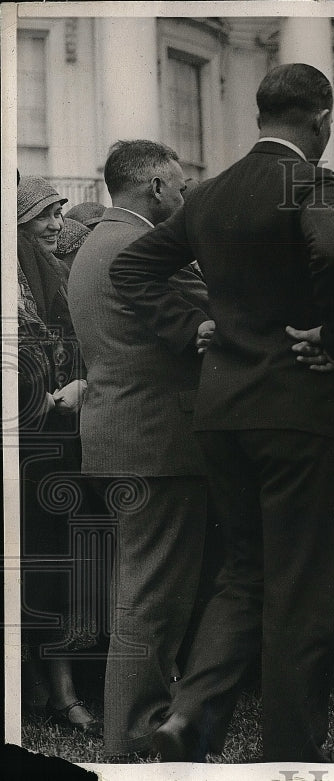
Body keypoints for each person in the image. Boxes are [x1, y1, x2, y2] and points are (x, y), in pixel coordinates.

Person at [110, 63, 334, 762]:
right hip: (297, 410)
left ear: (259, 115)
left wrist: (189, 326)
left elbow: (131, 269)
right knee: (301, 589)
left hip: (222, 410)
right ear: (322, 120)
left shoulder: (210, 192)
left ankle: (188, 716)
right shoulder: (311, 180)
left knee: (243, 573)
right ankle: (291, 751)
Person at [66, 139, 215, 758]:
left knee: (141, 591)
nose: (182, 198)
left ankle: (136, 722)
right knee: (150, 598)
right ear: (155, 186)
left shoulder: (94, 243)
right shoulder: (137, 246)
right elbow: (210, 314)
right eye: (179, 187)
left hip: (120, 434)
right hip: (156, 439)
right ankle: (131, 737)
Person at [17, 175, 99, 735]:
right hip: (24, 443)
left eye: (59, 212)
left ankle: (60, 688)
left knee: (55, 564)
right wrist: (47, 400)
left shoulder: (53, 276)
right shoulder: (10, 282)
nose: (56, 224)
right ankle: (39, 690)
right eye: (44, 215)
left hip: (58, 443)